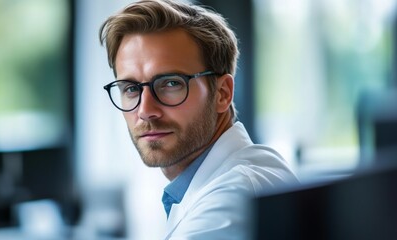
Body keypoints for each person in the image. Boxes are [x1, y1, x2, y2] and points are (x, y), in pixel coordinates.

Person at [99, 0, 298, 239]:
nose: (145, 110)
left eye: (171, 83)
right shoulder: (248, 169)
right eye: (131, 88)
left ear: (222, 93)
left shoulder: (230, 201)